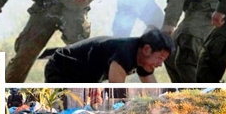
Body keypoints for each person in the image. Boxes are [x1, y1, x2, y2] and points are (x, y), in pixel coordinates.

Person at [43, 27, 175, 83]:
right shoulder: (125, 54)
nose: (159, 65)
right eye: (159, 58)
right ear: (147, 49)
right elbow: (115, 88)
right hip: (62, 69)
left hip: (86, 75)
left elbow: (152, 88)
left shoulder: (143, 59)